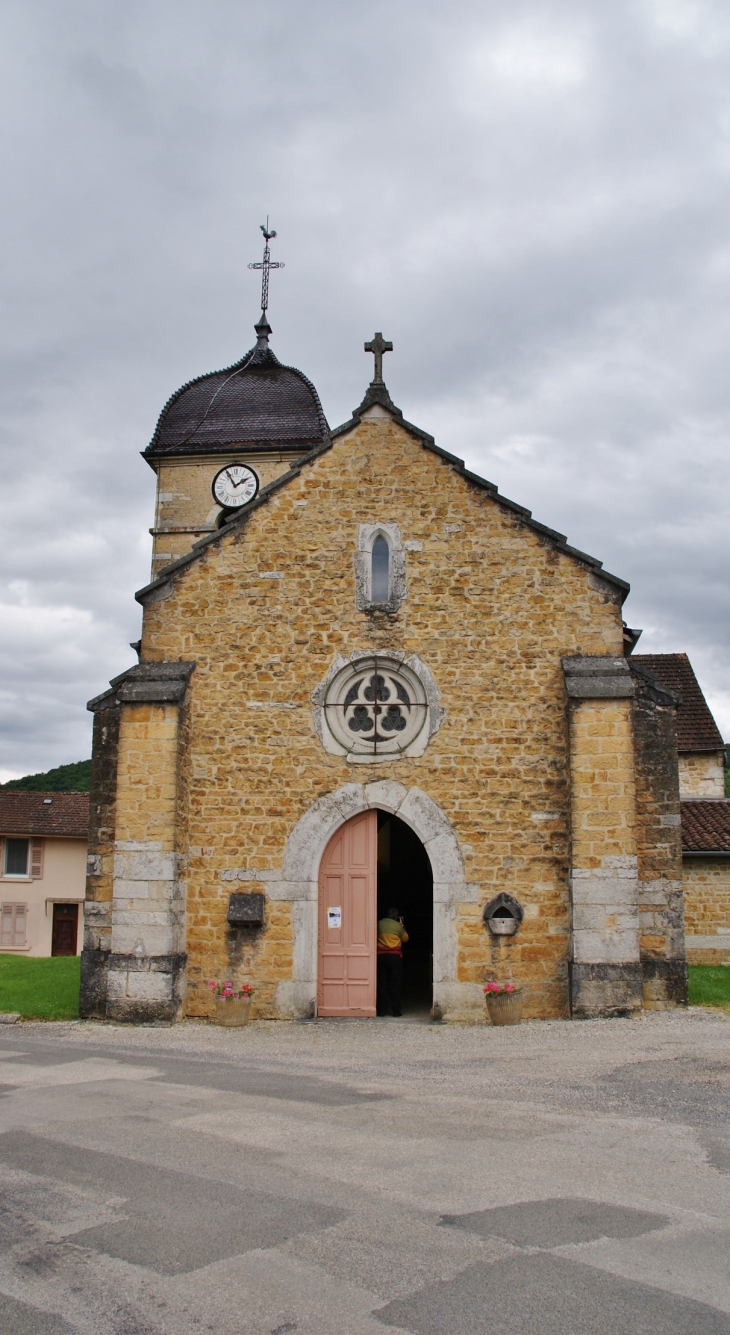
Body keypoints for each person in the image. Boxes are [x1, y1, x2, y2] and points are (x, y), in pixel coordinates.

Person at [376, 906, 409, 1017]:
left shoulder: (379, 923)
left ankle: (381, 1011)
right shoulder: (398, 926)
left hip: (381, 956)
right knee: (394, 984)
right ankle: (396, 1011)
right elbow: (406, 939)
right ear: (396, 917)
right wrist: (402, 924)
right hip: (394, 957)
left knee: (382, 983)